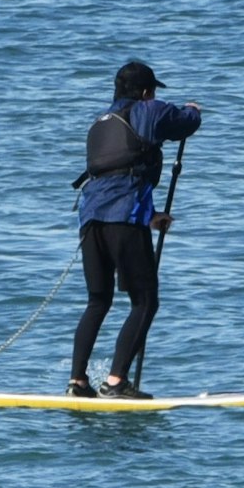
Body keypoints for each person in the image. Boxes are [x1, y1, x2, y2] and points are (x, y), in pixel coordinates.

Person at [69, 59, 200, 398]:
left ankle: (77, 382)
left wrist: (151, 215)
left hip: (90, 222)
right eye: (153, 91)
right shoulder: (147, 110)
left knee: (98, 301)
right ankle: (116, 383)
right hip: (123, 220)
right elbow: (186, 123)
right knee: (145, 302)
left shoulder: (99, 124)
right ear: (145, 92)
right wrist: (192, 109)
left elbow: (116, 174)